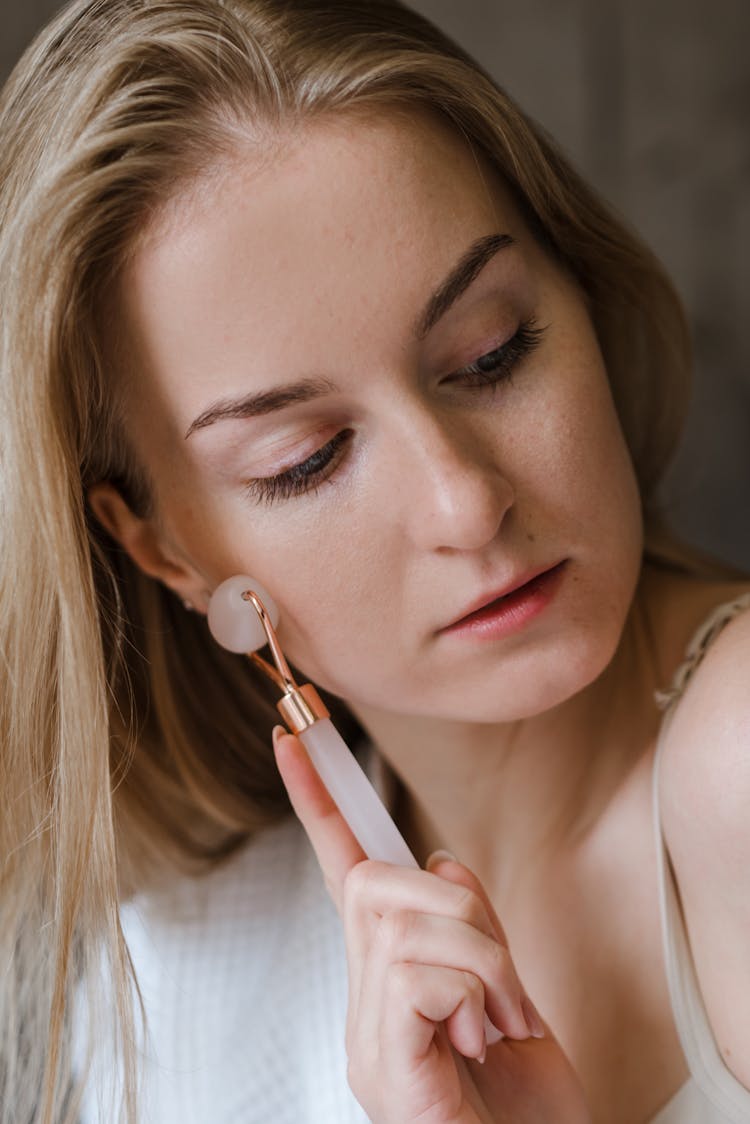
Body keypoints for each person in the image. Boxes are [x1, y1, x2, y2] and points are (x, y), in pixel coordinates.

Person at [0, 0, 748, 1121]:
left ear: (577, 291)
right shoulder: (179, 965)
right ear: (161, 548)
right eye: (307, 459)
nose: (465, 498)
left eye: (493, 352)